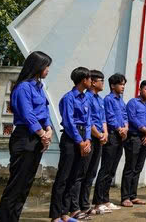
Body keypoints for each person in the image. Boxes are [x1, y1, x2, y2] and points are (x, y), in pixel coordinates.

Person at [0, 51, 53, 222]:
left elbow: (44, 111)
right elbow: (27, 114)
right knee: (16, 185)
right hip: (24, 138)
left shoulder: (39, 87)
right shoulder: (23, 87)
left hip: (37, 138)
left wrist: (49, 129)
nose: (48, 70)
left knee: (25, 186)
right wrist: (42, 133)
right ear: (37, 66)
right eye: (46, 66)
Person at [50, 67, 92, 222]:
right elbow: (68, 122)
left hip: (83, 138)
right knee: (63, 177)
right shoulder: (69, 98)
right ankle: (55, 215)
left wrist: (87, 139)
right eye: (89, 79)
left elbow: (88, 121)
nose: (91, 81)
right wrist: (80, 141)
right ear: (83, 80)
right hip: (71, 138)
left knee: (74, 177)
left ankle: (65, 212)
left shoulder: (85, 98)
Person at [92, 73, 128, 213]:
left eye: (124, 84)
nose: (123, 86)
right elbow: (110, 117)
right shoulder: (108, 99)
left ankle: (106, 200)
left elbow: (125, 116)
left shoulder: (120, 101)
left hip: (120, 137)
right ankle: (98, 200)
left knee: (112, 170)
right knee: (106, 169)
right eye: (121, 84)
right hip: (112, 136)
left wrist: (125, 128)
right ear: (113, 85)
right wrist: (119, 129)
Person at [121, 80, 146, 207]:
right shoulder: (133, 103)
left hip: (145, 139)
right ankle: (125, 197)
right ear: (140, 89)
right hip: (134, 138)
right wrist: (145, 130)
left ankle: (133, 196)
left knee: (138, 168)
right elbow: (132, 118)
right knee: (130, 167)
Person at [77, 70, 108, 216]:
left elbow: (103, 119)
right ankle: (79, 205)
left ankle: (85, 204)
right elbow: (89, 120)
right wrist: (99, 134)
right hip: (90, 137)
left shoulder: (100, 100)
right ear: (93, 82)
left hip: (100, 137)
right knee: (84, 172)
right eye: (101, 80)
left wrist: (105, 134)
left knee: (92, 172)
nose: (103, 83)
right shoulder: (87, 98)